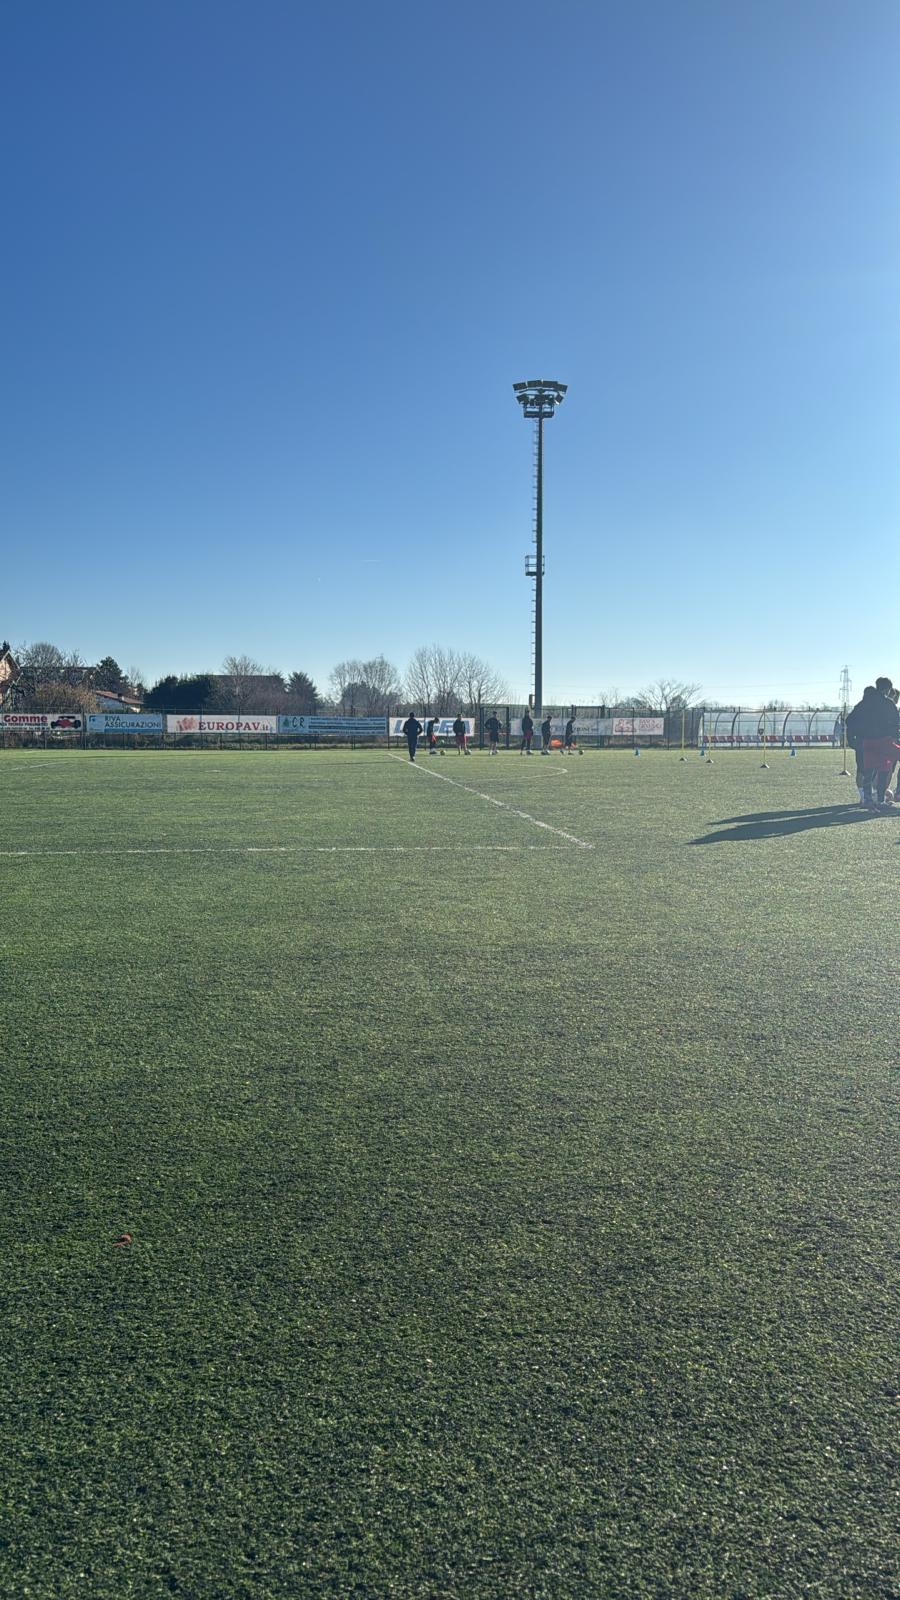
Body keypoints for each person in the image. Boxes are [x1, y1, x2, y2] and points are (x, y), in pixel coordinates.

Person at [846, 679, 900, 808]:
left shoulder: (864, 703)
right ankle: (881, 799)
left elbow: (849, 720)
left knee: (867, 770)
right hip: (884, 741)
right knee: (884, 770)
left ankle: (867, 800)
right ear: (887, 689)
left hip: (867, 741)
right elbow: (897, 722)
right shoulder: (888, 703)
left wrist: (857, 736)